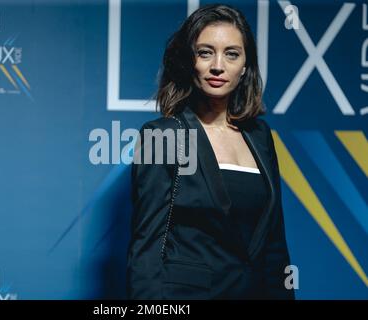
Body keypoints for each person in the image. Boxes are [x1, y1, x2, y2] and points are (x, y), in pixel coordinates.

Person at [126, 4, 295, 300]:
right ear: (188, 61)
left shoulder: (261, 136)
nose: (218, 65)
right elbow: (147, 248)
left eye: (232, 54)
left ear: (245, 66)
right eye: (205, 52)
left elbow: (274, 243)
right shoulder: (162, 134)